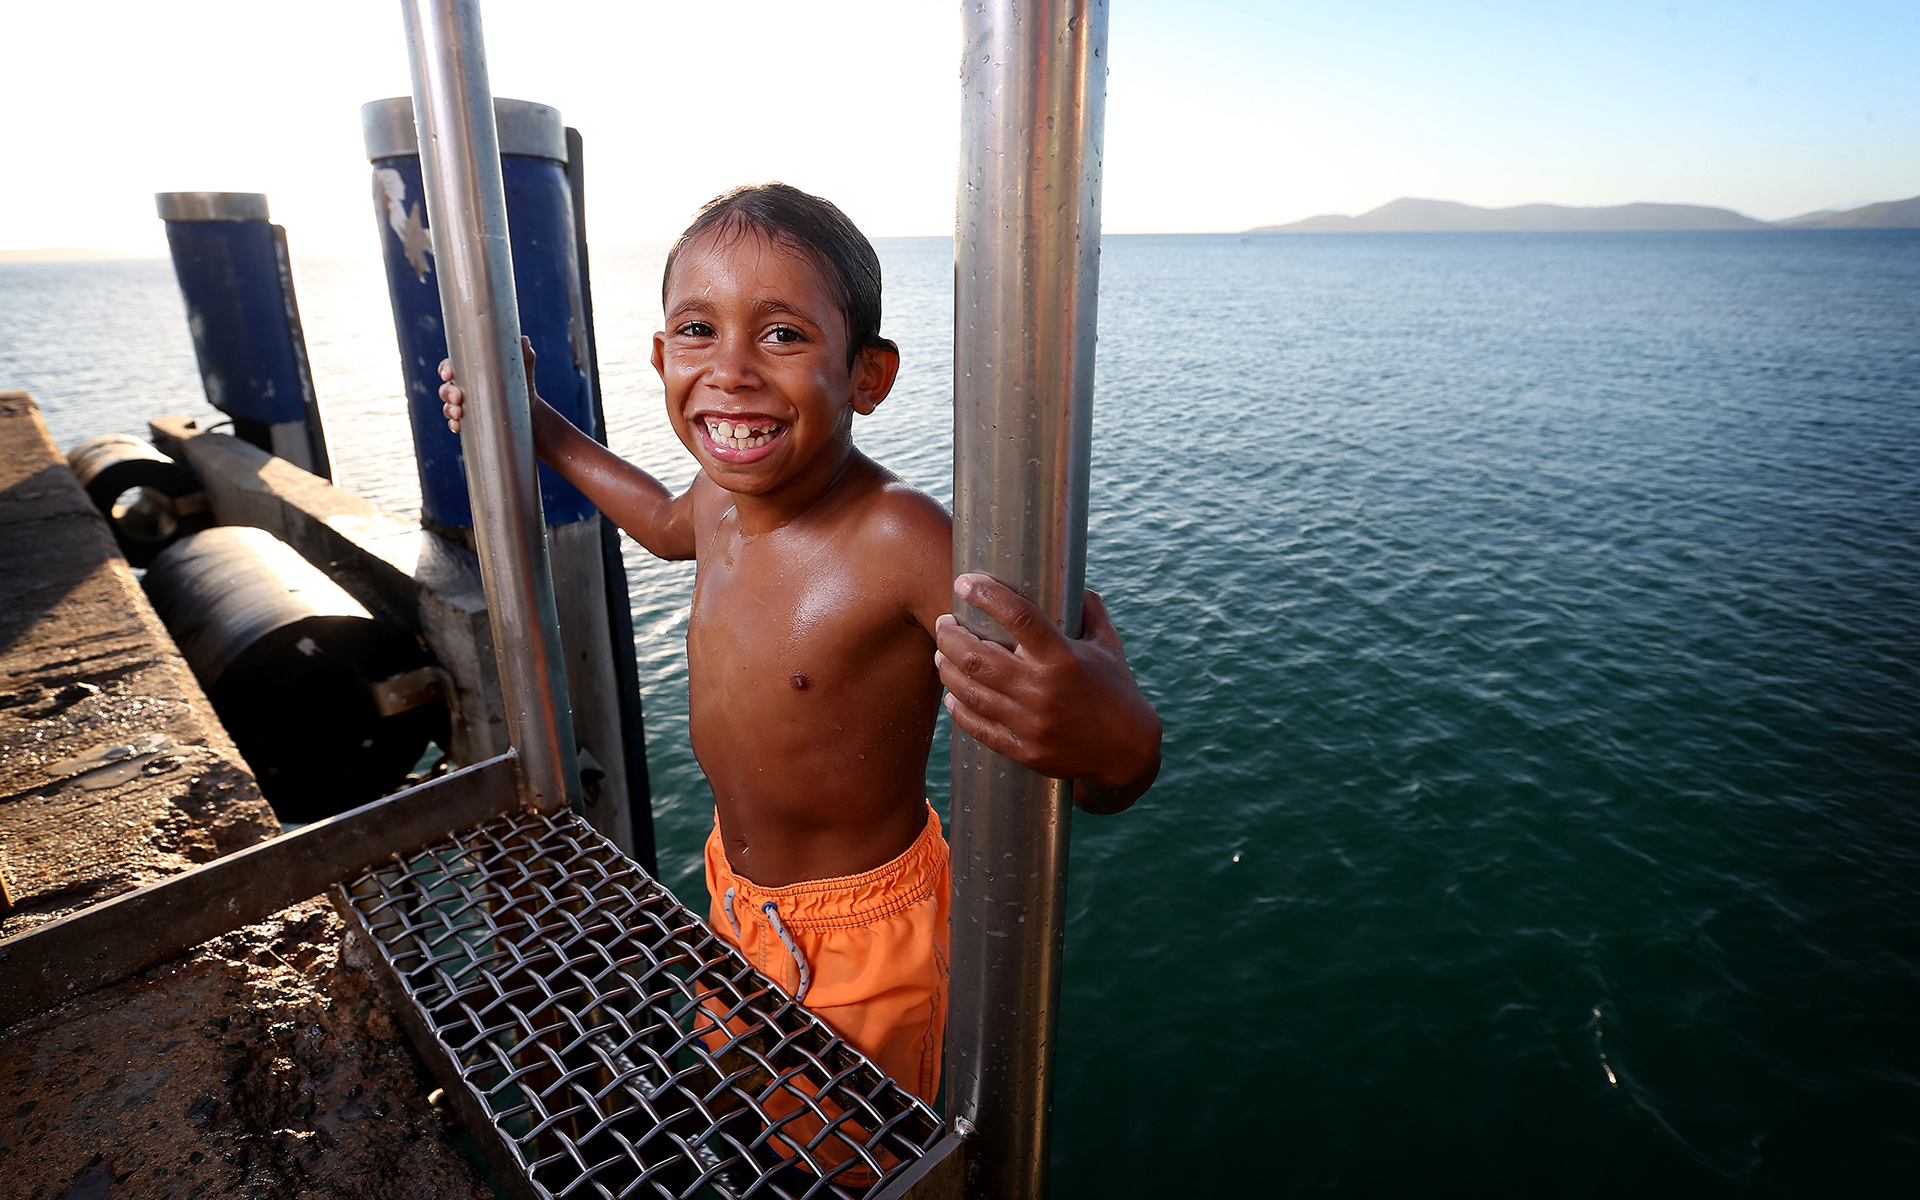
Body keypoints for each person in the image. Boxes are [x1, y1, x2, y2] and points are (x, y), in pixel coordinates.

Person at [439, 182, 1161, 1116]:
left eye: (782, 335)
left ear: (869, 377)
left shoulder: (900, 538)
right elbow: (660, 523)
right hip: (736, 895)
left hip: (870, 935)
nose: (731, 370)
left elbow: (1081, 735)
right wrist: (538, 427)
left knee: (860, 1156)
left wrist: (1119, 743)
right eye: (698, 331)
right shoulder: (718, 499)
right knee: (754, 1112)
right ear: (660, 356)